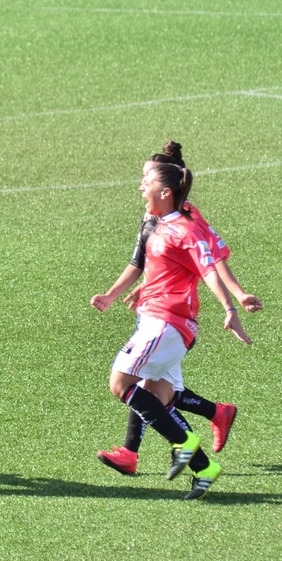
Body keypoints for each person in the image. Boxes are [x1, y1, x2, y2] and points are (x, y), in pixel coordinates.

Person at [92, 143, 263, 477]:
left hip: (171, 317)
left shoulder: (186, 219)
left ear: (166, 186)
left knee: (143, 386)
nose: (141, 184)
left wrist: (236, 298)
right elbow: (145, 260)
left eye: (146, 177)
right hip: (156, 310)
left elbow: (209, 261)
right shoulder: (153, 216)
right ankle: (205, 428)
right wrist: (126, 290)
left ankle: (178, 446)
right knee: (152, 388)